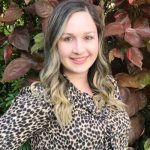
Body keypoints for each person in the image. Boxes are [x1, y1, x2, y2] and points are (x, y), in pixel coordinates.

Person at [0, 0, 130, 149]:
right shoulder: (40, 99)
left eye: (88, 37)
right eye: (67, 38)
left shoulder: (108, 86)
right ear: (55, 43)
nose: (79, 49)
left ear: (98, 40)